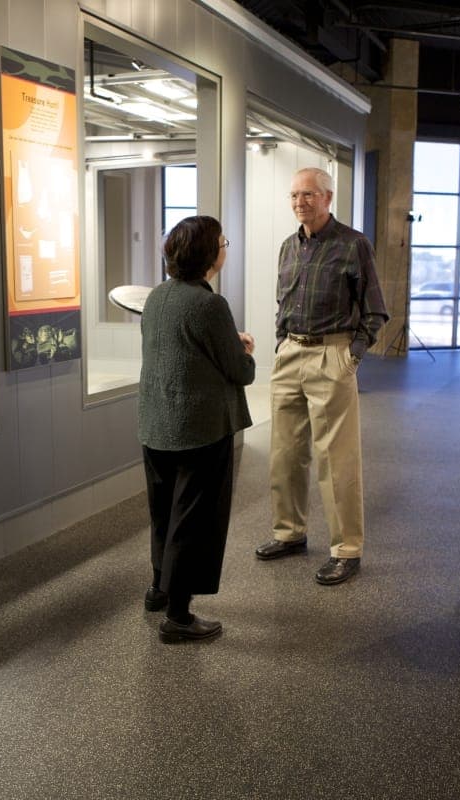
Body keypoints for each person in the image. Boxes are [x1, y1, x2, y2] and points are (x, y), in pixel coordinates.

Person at [255, 167, 388, 586]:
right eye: (294, 195)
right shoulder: (286, 247)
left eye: (308, 195)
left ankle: (346, 549)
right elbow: (283, 301)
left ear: (328, 197)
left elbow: (375, 309)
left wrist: (352, 355)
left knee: (337, 458)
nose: (300, 203)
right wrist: (281, 341)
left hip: (333, 353)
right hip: (291, 352)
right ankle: (289, 533)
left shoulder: (353, 245)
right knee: (284, 453)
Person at [138, 215, 256, 643]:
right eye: (223, 241)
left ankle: (158, 588)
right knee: (193, 520)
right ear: (212, 254)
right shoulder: (210, 305)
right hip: (200, 427)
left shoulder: (157, 297)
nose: (226, 247)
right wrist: (245, 349)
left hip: (156, 422)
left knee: (163, 511)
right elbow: (239, 371)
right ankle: (179, 616)